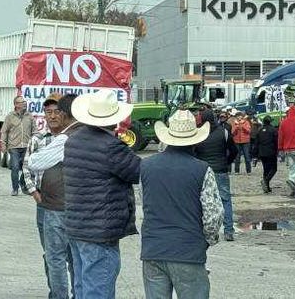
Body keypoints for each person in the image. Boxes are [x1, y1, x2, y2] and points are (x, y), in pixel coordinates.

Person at [63, 91, 142, 299]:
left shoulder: (73, 141)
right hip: (100, 229)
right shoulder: (111, 146)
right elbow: (137, 171)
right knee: (98, 289)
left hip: (76, 225)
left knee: (81, 286)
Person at [140, 110, 224, 299]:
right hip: (188, 250)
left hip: (153, 249)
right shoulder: (202, 169)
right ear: (195, 139)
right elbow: (213, 215)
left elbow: (146, 204)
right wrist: (208, 241)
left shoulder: (146, 166)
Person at [23, 94, 77, 299]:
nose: (53, 116)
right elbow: (27, 166)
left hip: (68, 205)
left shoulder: (70, 138)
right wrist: (34, 193)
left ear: (64, 115)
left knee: (71, 254)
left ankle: (71, 293)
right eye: (48, 112)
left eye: (56, 112)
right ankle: (56, 292)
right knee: (52, 255)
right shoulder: (38, 139)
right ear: (44, 115)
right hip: (44, 205)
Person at [193, 110, 238, 241]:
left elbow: (194, 153)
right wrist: (226, 162)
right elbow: (234, 151)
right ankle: (229, 230)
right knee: (225, 200)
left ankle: (204, 228)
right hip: (221, 170)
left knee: (203, 200)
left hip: (203, 171)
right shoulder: (223, 132)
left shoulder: (199, 134)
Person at [2, 96, 34, 196]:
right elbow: (4, 131)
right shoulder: (10, 116)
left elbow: (35, 130)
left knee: (27, 167)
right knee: (15, 167)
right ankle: (15, 189)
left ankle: (24, 185)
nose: (24, 103)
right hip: (14, 146)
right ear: (16, 105)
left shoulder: (30, 116)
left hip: (26, 146)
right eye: (21, 102)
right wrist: (3, 144)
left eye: (25, 102)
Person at [253, 115, 278, 193]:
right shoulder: (273, 130)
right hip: (271, 152)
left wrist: (255, 155)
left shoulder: (259, 130)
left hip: (262, 153)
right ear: (270, 121)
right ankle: (266, 181)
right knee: (274, 169)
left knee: (266, 169)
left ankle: (267, 187)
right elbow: (276, 142)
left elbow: (256, 143)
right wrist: (278, 150)